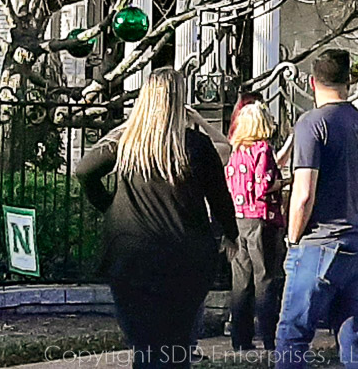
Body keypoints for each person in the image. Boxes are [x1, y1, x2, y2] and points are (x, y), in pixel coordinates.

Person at [76, 69, 239, 369]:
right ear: (181, 101)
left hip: (131, 256)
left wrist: (108, 205)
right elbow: (220, 199)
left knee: (145, 344)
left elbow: (84, 170)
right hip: (185, 257)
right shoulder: (195, 146)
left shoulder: (126, 143)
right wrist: (230, 234)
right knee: (176, 343)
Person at [275, 49, 358, 369]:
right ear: (348, 81)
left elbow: (304, 193)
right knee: (354, 335)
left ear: (312, 82)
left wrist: (292, 239)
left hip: (321, 244)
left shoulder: (312, 124)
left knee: (292, 334)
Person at [225, 101, 286, 352]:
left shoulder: (237, 150)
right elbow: (263, 187)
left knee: (241, 280)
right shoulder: (262, 150)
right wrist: (285, 182)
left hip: (238, 218)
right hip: (261, 218)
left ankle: (240, 339)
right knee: (265, 278)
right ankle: (269, 338)